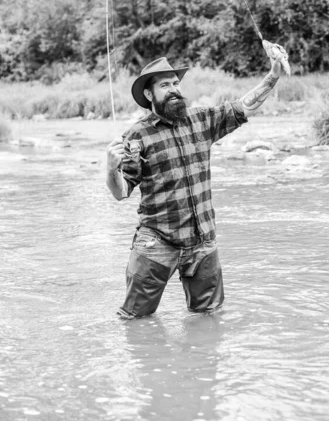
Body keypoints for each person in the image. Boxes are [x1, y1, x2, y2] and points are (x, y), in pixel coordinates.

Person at [106, 47, 288, 319]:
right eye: (165, 85)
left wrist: (273, 75)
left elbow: (243, 106)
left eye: (176, 83)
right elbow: (121, 192)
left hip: (202, 241)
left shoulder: (202, 119)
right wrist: (110, 168)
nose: (173, 89)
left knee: (210, 318)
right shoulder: (136, 136)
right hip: (157, 243)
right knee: (135, 321)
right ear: (148, 94)